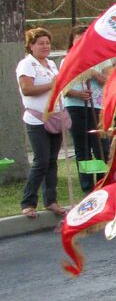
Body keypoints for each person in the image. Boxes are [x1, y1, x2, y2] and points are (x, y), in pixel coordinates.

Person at [15, 27, 65, 219]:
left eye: (47, 43)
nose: (45, 46)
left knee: (52, 161)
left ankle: (51, 200)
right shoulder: (26, 64)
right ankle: (28, 202)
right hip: (36, 119)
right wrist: (52, 85)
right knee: (41, 161)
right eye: (41, 43)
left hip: (55, 117)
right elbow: (27, 89)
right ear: (31, 46)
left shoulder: (51, 64)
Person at [60, 27, 111, 194]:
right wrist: (78, 93)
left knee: (101, 147)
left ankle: (102, 184)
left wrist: (93, 72)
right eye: (78, 40)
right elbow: (63, 87)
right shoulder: (67, 60)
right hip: (76, 107)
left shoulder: (103, 58)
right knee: (83, 148)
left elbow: (108, 81)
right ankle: (88, 187)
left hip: (97, 107)